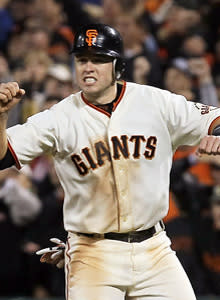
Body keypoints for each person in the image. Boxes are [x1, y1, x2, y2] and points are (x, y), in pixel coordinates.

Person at [1, 23, 220, 300]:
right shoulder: (58, 118)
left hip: (154, 249)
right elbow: (3, 155)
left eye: (99, 59)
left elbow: (213, 119)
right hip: (93, 254)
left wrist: (217, 134)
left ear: (118, 65)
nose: (88, 67)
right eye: (82, 59)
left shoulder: (155, 102)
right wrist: (1, 118)